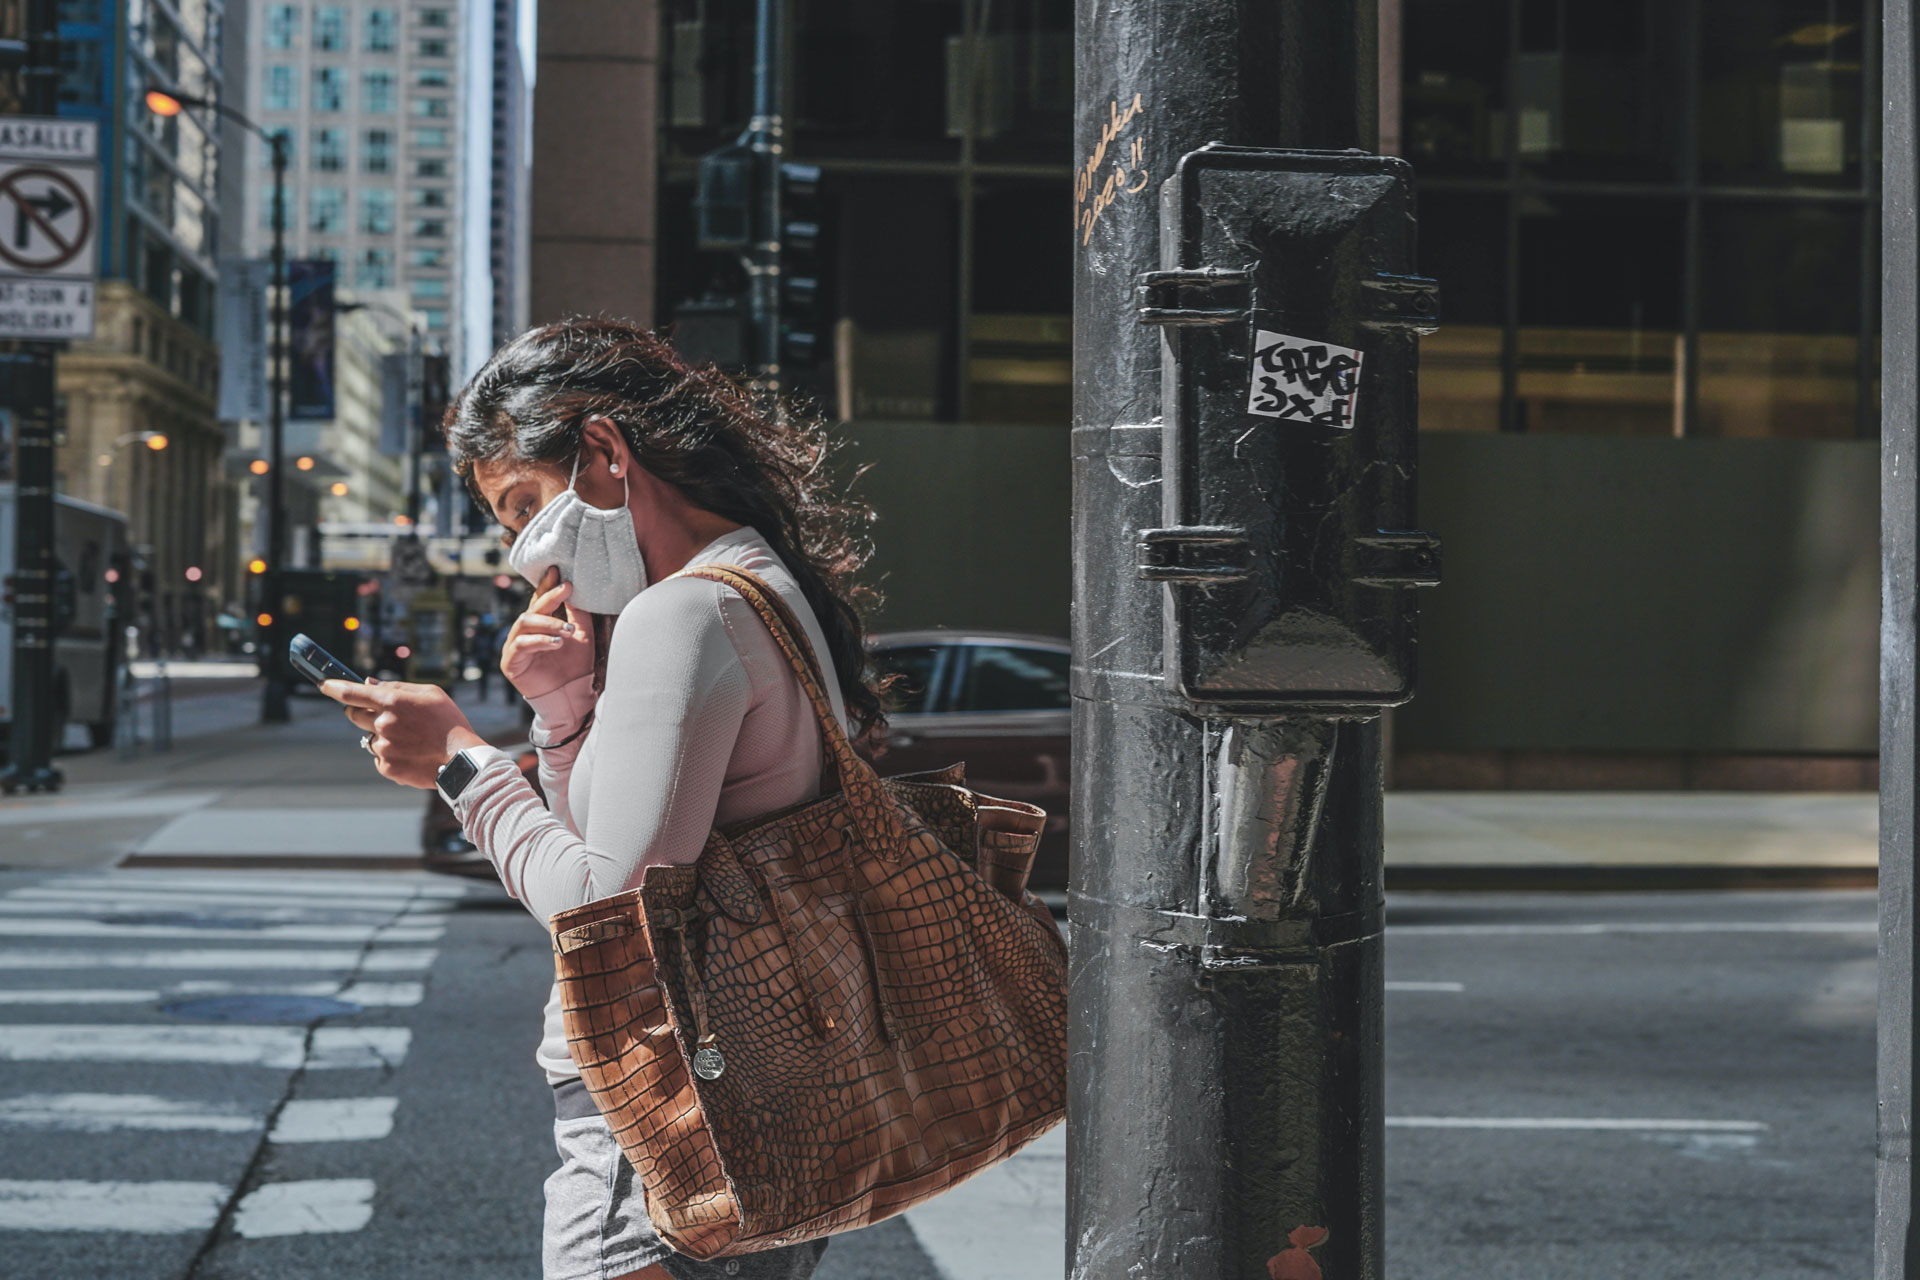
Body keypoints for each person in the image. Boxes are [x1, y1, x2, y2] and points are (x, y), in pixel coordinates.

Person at [319, 318, 888, 1280]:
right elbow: (626, 838)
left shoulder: (686, 613)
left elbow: (607, 913)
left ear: (603, 451)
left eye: (525, 504)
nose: (528, 558)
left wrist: (458, 761)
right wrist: (561, 705)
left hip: (658, 1109)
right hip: (765, 1096)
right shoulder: (753, 584)